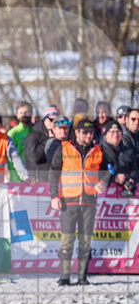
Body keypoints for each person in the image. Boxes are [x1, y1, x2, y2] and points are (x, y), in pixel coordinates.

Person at [49, 120, 109, 286]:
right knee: (67, 240)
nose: (88, 136)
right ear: (76, 133)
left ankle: (82, 277)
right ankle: (65, 277)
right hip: (69, 202)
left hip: (89, 202)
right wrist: (54, 196)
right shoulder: (63, 149)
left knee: (85, 241)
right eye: (84, 132)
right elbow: (54, 174)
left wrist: (103, 182)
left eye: (90, 133)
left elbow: (107, 171)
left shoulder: (98, 151)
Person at [25, 106, 60, 174]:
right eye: (51, 120)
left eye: (57, 121)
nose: (53, 123)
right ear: (45, 119)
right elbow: (34, 158)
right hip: (38, 178)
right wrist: (49, 141)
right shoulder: (33, 135)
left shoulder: (59, 136)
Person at [6, 102, 33, 182]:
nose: (24, 115)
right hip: (17, 178)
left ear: (31, 113)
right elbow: (11, 157)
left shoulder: (36, 131)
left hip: (34, 177)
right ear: (17, 115)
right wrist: (16, 178)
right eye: (21, 113)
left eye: (26, 112)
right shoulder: (13, 133)